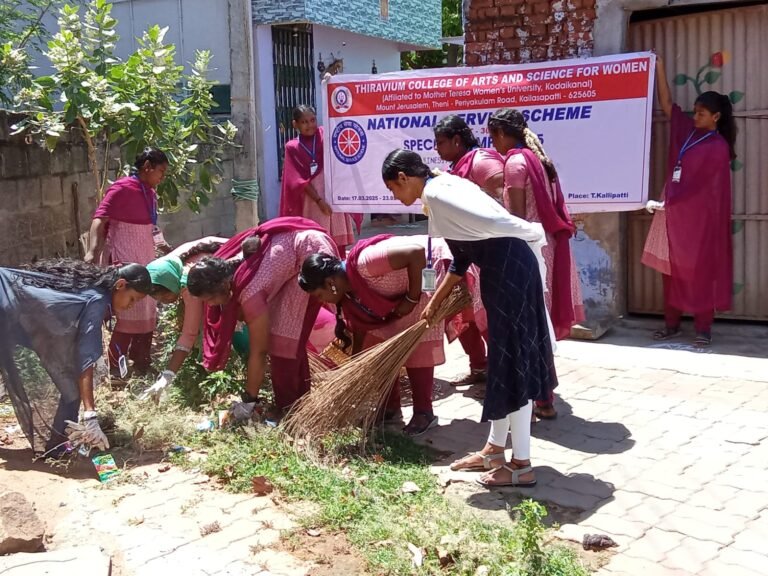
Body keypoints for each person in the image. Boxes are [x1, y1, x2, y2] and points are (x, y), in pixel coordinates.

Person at [381, 149, 555, 488]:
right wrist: (437, 300)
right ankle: (494, 449)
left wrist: (524, 229)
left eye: (392, 189)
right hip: (505, 271)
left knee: (513, 365)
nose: (394, 197)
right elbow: (462, 257)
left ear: (404, 178)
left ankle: (521, 465)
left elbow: (493, 225)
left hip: (510, 275)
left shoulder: (438, 193)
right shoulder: (442, 188)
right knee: (504, 365)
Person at [298, 235, 486, 436]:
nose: (322, 300)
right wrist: (358, 360)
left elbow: (415, 253)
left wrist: (412, 299)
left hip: (425, 276)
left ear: (330, 283)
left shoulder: (365, 263)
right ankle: (390, 408)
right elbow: (362, 329)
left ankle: (423, 412)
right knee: (381, 346)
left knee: (418, 344)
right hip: (405, 294)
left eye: (319, 295)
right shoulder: (348, 294)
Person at [186, 217, 338, 413]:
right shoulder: (229, 272)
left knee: (284, 343)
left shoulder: (250, 293)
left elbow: (259, 352)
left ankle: (292, 410)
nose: (209, 305)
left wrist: (248, 401)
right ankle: (297, 404)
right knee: (284, 339)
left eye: (209, 299)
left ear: (224, 287)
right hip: (295, 248)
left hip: (311, 252)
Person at [0, 260, 152, 455]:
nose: (132, 306)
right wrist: (90, 416)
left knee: (71, 386)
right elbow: (85, 357)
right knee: (72, 384)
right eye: (132, 299)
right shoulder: (97, 300)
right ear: (120, 285)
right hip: (5, 307)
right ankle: (57, 446)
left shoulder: (93, 290)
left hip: (8, 308)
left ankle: (57, 446)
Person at [488, 108, 584, 420]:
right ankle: (545, 396)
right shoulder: (537, 158)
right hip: (547, 246)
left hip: (529, 248)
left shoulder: (515, 163)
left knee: (529, 323)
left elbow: (516, 216)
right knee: (539, 322)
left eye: (492, 137)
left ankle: (540, 397)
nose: (493, 144)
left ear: (501, 134)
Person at [643, 57, 735, 347]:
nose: (695, 117)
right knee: (670, 272)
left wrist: (673, 204)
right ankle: (671, 324)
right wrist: (658, 67)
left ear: (716, 117)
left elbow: (707, 191)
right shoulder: (686, 132)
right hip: (673, 215)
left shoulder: (718, 147)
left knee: (700, 273)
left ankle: (703, 328)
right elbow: (668, 103)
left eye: (701, 113)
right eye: (695, 112)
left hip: (699, 221)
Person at [85, 148, 170, 374]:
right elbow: (99, 219)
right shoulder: (121, 188)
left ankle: (142, 362)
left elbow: (151, 225)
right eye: (160, 171)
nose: (162, 177)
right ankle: (117, 370)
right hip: (125, 262)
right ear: (147, 167)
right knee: (128, 313)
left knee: (148, 309)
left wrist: (161, 243)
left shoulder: (151, 193)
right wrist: (93, 251)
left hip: (146, 261)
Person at [434, 114, 505, 385]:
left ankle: (504, 377)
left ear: (457, 140)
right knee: (463, 313)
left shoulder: (481, 161)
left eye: (441, 142)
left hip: (488, 252)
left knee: (486, 315)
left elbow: (502, 197)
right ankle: (480, 368)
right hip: (464, 252)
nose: (438, 149)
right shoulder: (455, 168)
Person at [141, 237, 228, 400]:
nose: (163, 302)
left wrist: (167, 376)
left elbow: (189, 333)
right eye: (157, 299)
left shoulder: (190, 282)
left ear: (171, 284)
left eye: (164, 296)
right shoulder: (170, 264)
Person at [279, 105, 360, 256]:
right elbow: (298, 180)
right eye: (304, 122)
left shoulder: (326, 135)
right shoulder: (292, 147)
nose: (310, 125)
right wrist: (319, 200)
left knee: (338, 239)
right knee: (317, 241)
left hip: (332, 192)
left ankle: (339, 270)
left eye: (312, 120)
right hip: (312, 199)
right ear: (295, 124)